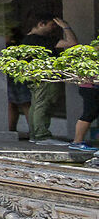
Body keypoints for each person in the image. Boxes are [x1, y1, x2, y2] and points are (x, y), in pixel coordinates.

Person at [26, 14, 77, 142]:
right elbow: (72, 43)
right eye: (52, 25)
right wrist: (66, 27)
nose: (54, 28)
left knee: (37, 104)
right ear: (41, 24)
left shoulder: (27, 39)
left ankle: (35, 134)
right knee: (43, 104)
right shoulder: (40, 40)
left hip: (34, 76)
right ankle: (41, 135)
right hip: (45, 77)